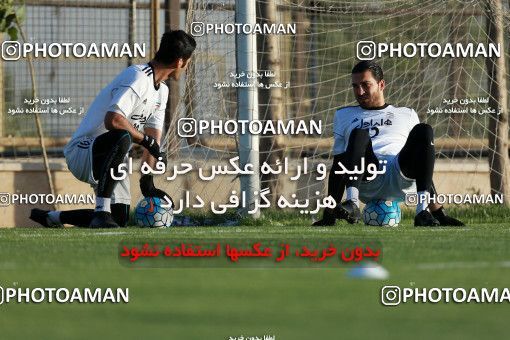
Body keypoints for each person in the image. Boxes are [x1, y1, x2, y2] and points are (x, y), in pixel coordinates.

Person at [30, 30, 196, 228]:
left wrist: (148, 181)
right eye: (188, 62)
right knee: (123, 136)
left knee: (119, 220)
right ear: (180, 62)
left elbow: (153, 139)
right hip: (84, 151)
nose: (186, 67)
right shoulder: (138, 77)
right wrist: (145, 141)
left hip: (114, 158)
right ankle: (101, 211)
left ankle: (52, 218)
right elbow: (114, 120)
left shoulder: (163, 92)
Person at [313, 60, 464, 227]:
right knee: (360, 134)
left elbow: (421, 160)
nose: (360, 91)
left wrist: (438, 213)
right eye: (355, 86)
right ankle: (353, 204)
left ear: (381, 84)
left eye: (366, 84)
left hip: (401, 173)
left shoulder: (407, 114)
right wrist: (329, 213)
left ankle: (422, 212)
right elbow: (339, 164)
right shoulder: (344, 115)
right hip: (368, 175)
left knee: (425, 130)